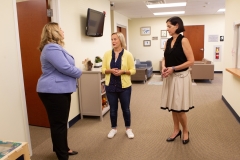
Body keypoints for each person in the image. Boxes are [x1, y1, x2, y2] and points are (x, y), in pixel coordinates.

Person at [37, 22, 82, 159]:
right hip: (53, 91)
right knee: (59, 124)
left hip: (58, 91)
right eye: (60, 29)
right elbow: (65, 68)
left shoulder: (54, 47)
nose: (63, 31)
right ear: (54, 32)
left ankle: (62, 148)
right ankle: (62, 154)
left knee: (59, 123)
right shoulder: (51, 48)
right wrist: (80, 72)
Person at [160, 16, 194, 145]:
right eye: (167, 26)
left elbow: (191, 61)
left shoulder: (184, 40)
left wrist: (174, 68)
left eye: (169, 26)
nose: (167, 29)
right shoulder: (167, 42)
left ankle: (185, 130)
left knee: (180, 108)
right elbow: (164, 58)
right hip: (170, 77)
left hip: (181, 77)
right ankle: (176, 130)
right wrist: (164, 67)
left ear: (177, 26)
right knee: (173, 107)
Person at [101, 32, 136, 139]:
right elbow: (102, 69)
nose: (113, 41)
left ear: (120, 40)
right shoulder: (107, 54)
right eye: (111, 39)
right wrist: (110, 70)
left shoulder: (128, 54)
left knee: (125, 109)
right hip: (110, 86)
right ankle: (113, 128)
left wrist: (123, 72)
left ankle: (128, 129)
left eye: (115, 39)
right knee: (112, 109)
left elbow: (133, 70)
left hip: (124, 86)